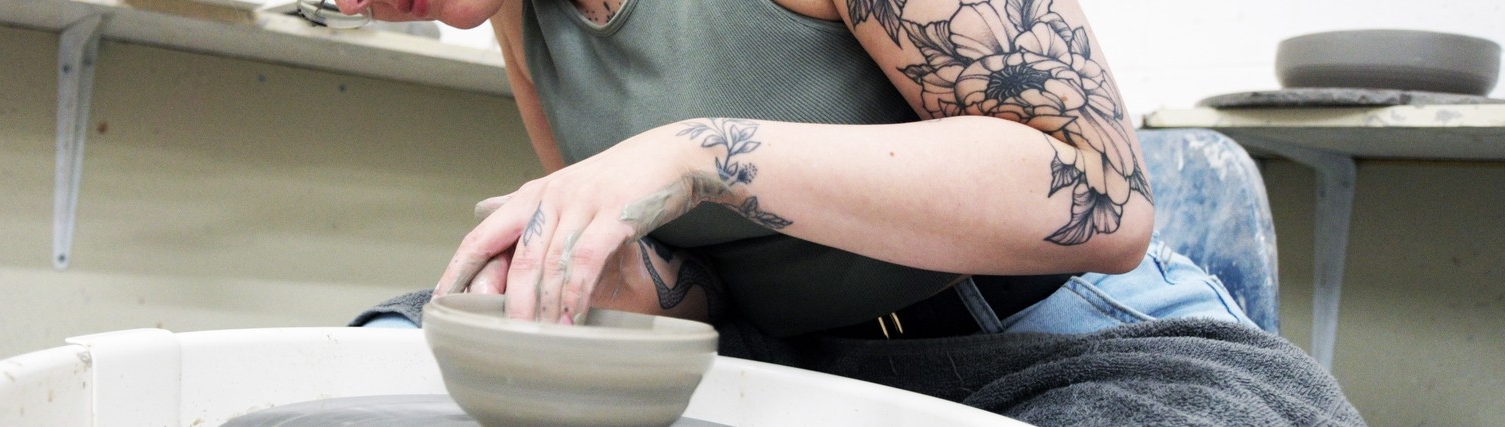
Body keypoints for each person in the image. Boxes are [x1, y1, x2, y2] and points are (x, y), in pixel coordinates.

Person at [342, 0, 1364, 424]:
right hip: (793, 351)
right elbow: (711, 274)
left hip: (1054, 337)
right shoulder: (527, 21)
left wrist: (698, 152)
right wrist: (625, 282)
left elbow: (1101, 190)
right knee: (385, 356)